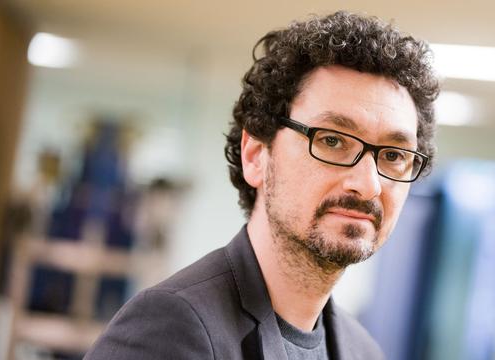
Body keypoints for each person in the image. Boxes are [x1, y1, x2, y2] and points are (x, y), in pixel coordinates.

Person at [85, 10, 438, 360]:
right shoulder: (172, 327)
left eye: (393, 155)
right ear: (256, 156)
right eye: (332, 141)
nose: (368, 184)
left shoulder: (364, 351)